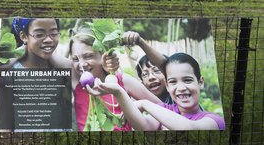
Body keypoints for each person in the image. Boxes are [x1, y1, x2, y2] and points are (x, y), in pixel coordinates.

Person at [88, 52, 225, 130]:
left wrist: (143, 103)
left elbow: (190, 129)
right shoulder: (165, 109)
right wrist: (119, 92)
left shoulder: (214, 120)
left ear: (200, 82)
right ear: (168, 85)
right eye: (173, 82)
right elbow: (144, 126)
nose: (181, 88)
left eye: (187, 80)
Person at [69, 21, 161, 131]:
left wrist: (146, 121)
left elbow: (160, 106)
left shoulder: (122, 81)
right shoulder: (76, 81)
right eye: (75, 59)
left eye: (88, 56)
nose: (82, 64)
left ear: (103, 54)